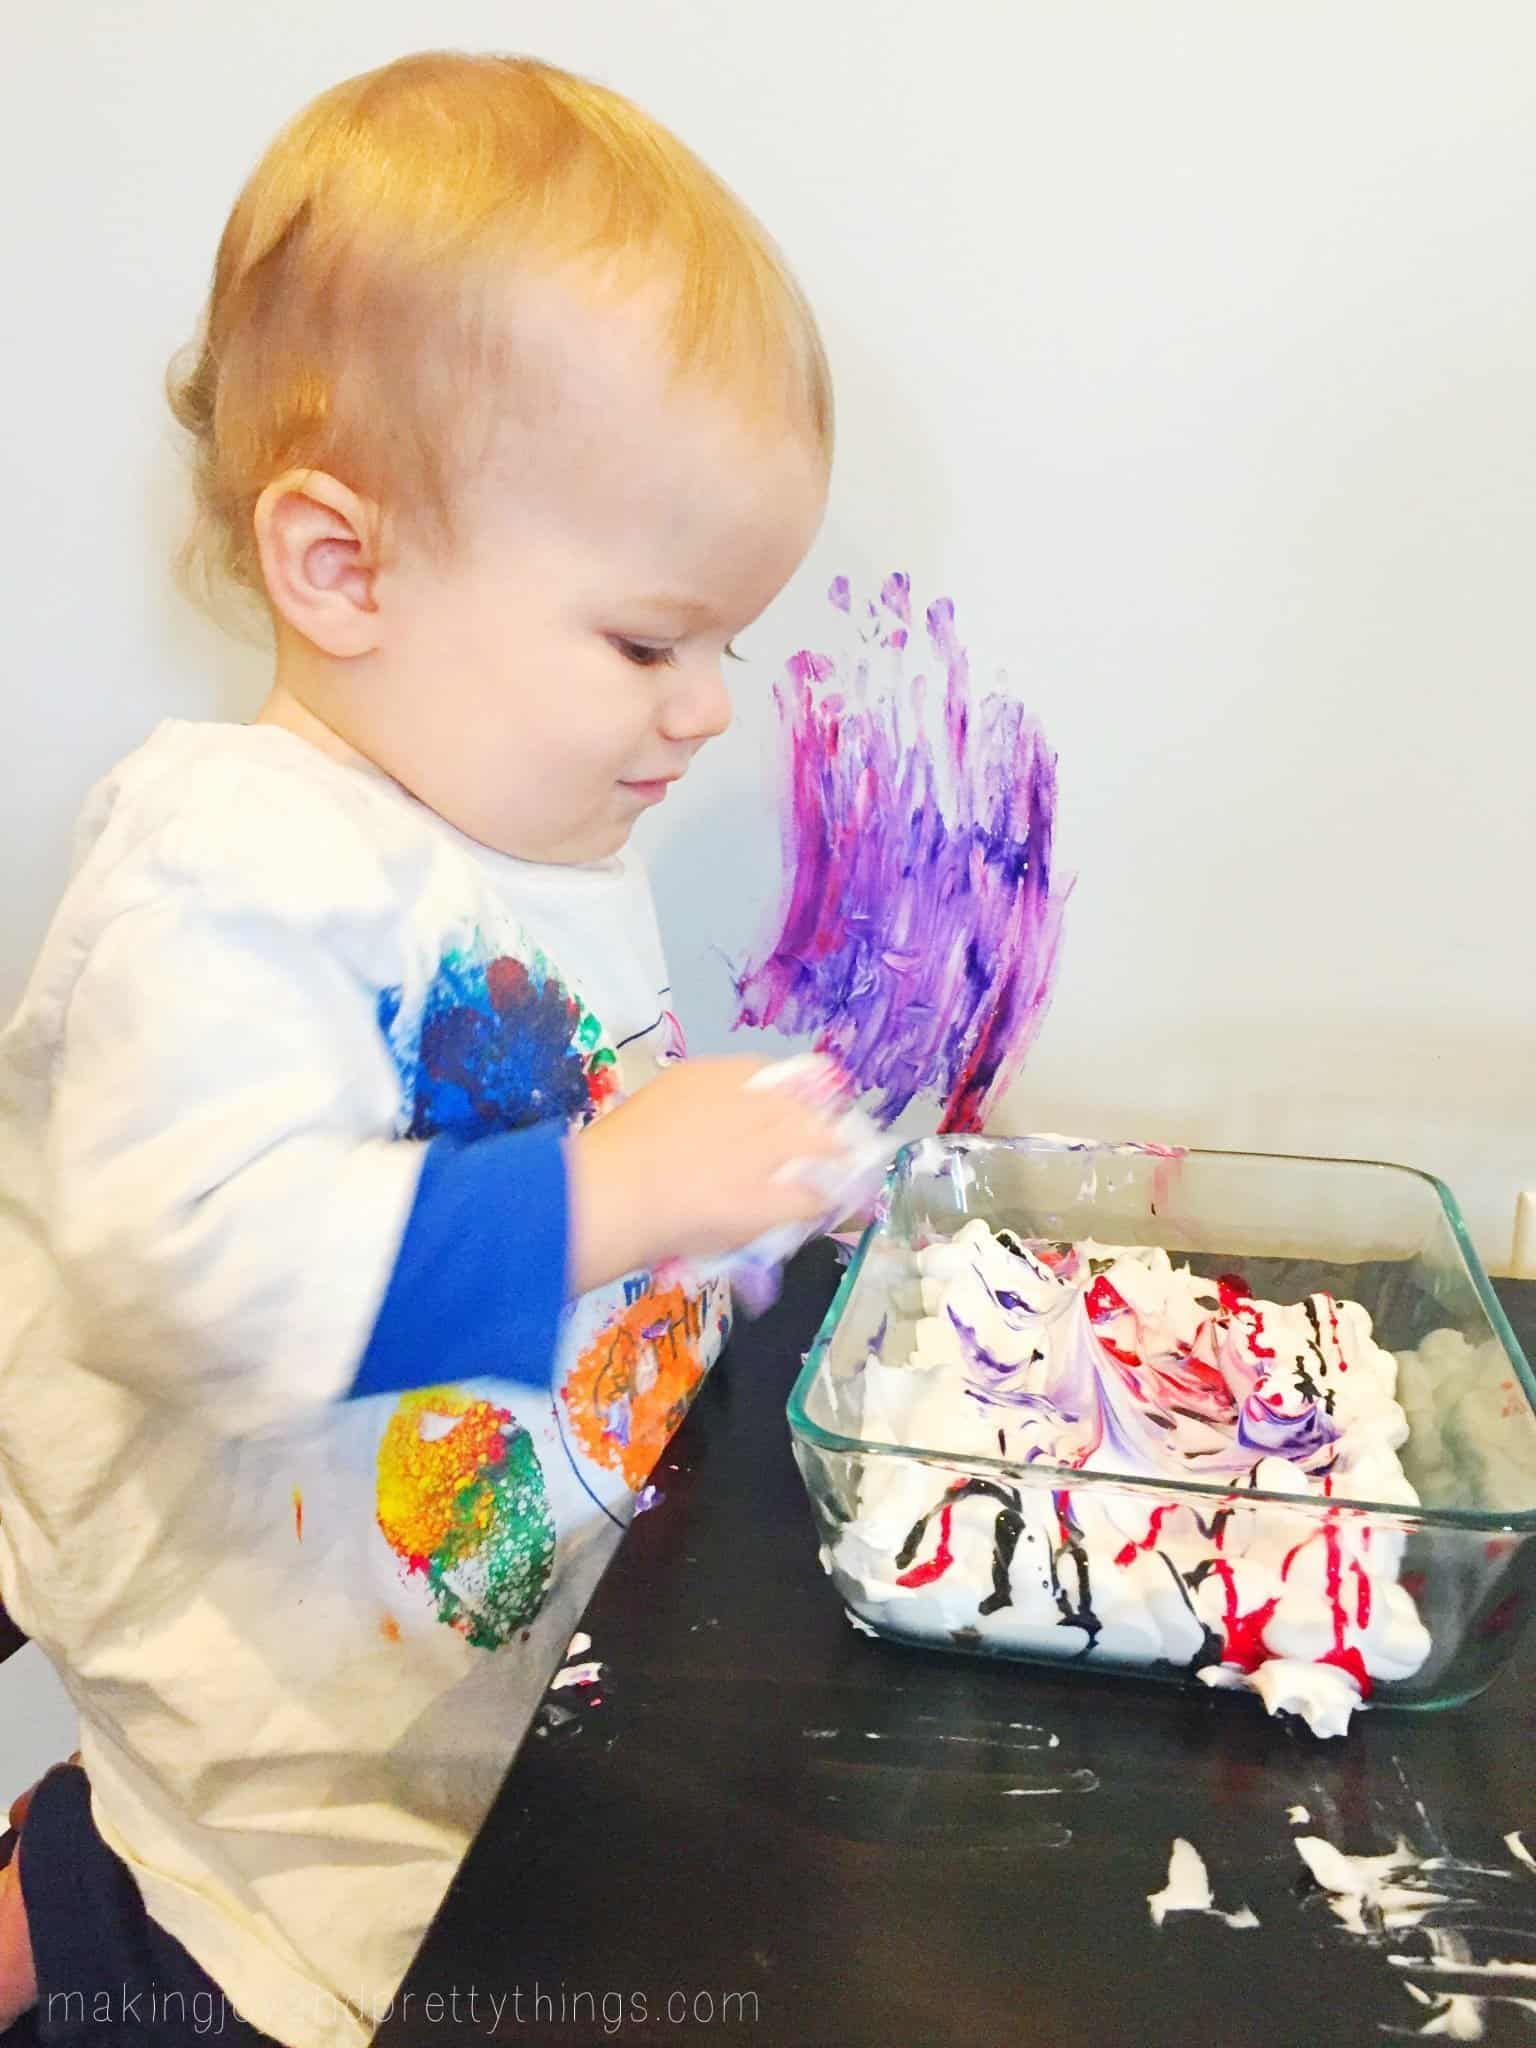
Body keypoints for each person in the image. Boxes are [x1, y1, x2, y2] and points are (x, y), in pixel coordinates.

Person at [0, 50, 836, 2045]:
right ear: (340, 566)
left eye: (727, 639)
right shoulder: (230, 860)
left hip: (477, 1703)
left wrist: (729, 1220)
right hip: (271, 1832)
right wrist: (622, 1184)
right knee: (137, 1949)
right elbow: (192, 1267)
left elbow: (563, 1188)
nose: (708, 707)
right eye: (651, 640)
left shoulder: (540, 834)